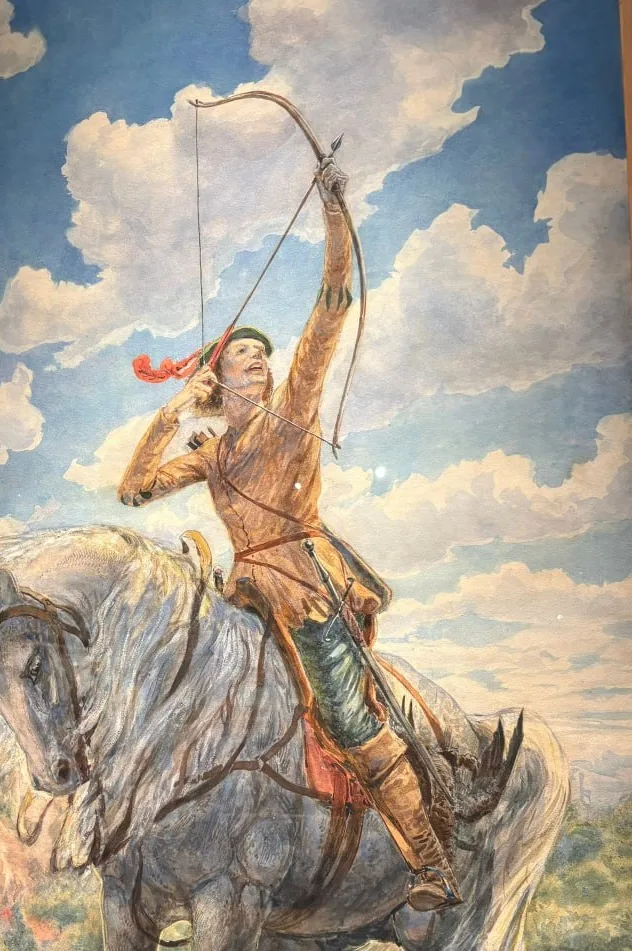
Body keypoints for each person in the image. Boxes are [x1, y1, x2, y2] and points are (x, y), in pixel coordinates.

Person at [118, 156, 459, 912]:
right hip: (244, 594)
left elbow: (330, 309)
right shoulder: (211, 452)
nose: (264, 365)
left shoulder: (291, 415)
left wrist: (334, 212)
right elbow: (134, 489)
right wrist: (173, 412)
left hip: (307, 590)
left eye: (265, 358)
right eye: (247, 357)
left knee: (344, 717)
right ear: (218, 380)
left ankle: (430, 863)